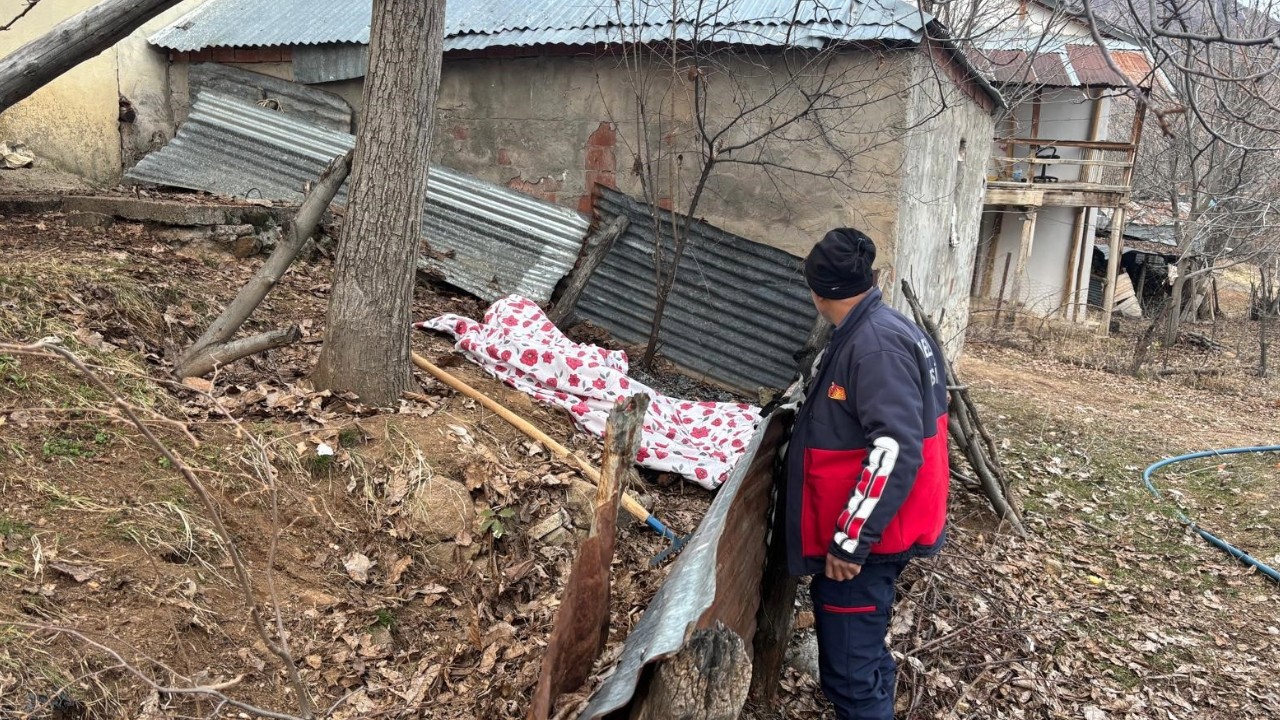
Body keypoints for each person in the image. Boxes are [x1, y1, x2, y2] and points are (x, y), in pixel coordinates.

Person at [783, 228, 950, 720]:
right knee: (865, 654)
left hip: (867, 545)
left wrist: (851, 541)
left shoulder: (874, 346)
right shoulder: (880, 326)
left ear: (817, 290)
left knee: (851, 675)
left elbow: (895, 449)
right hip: (880, 532)